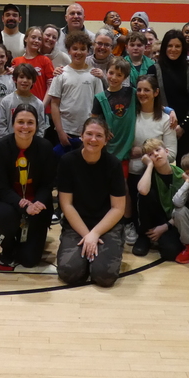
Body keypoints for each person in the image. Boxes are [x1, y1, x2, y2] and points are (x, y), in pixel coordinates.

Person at [56, 116, 127, 287]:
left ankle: (105, 250)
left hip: (106, 225)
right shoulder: (67, 161)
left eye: (99, 135)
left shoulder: (114, 164)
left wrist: (94, 234)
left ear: (106, 140)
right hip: (77, 224)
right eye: (89, 134)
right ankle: (85, 256)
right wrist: (87, 235)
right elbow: (66, 204)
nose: (93, 139)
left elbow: (118, 208)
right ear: (81, 136)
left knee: (104, 277)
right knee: (69, 273)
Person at [0, 105, 57, 267]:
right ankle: (9, 240)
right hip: (9, 202)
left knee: (29, 261)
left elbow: (48, 184)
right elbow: (1, 187)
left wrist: (37, 202)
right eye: (20, 122)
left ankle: (26, 236)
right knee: (5, 215)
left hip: (37, 204)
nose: (25, 127)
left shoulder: (45, 147)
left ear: (37, 125)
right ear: (13, 124)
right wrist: (23, 204)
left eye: (30, 122)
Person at [129, 74, 177, 255]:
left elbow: (171, 153)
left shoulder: (165, 119)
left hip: (157, 174)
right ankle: (142, 234)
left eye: (147, 90)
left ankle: (160, 229)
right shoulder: (130, 115)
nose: (142, 93)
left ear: (156, 92)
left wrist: (144, 154)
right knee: (139, 195)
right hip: (132, 172)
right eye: (139, 89)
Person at [149, 29, 189, 159]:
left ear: (183, 48)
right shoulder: (153, 70)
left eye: (177, 46)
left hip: (185, 129)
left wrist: (183, 126)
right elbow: (150, 100)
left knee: (183, 165)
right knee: (159, 163)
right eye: (170, 46)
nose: (173, 49)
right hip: (159, 126)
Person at [48, 31, 101, 155]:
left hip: (87, 132)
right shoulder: (61, 74)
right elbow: (54, 104)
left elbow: (98, 106)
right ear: (69, 51)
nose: (79, 52)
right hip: (65, 130)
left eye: (83, 49)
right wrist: (60, 132)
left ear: (88, 51)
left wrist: (93, 129)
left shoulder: (94, 75)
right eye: (75, 48)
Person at [135, 138, 185, 261]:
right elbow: (143, 190)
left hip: (173, 221)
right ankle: (145, 236)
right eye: (151, 154)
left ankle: (161, 237)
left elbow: (187, 207)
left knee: (170, 252)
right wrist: (149, 165)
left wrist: (166, 226)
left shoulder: (181, 175)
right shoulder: (149, 174)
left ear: (166, 151)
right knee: (146, 194)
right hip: (155, 218)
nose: (156, 154)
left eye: (158, 150)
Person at [91, 56, 137, 165]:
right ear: (106, 72)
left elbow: (152, 103)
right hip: (108, 147)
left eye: (119, 75)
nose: (114, 77)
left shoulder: (132, 93)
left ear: (125, 77)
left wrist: (169, 111)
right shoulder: (99, 98)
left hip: (128, 147)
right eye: (111, 73)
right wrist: (104, 129)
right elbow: (93, 121)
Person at [0, 62, 48, 137]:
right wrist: (8, 142)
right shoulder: (6, 101)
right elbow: (1, 126)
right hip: (10, 142)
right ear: (15, 79)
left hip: (31, 142)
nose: (25, 80)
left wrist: (33, 142)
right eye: (21, 77)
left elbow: (41, 128)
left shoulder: (38, 104)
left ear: (33, 81)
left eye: (28, 78)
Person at [10, 26, 55, 100]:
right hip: (20, 104)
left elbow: (51, 86)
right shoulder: (16, 61)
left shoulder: (45, 60)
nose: (36, 41)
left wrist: (42, 105)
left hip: (41, 104)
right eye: (33, 37)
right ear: (26, 39)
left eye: (39, 39)